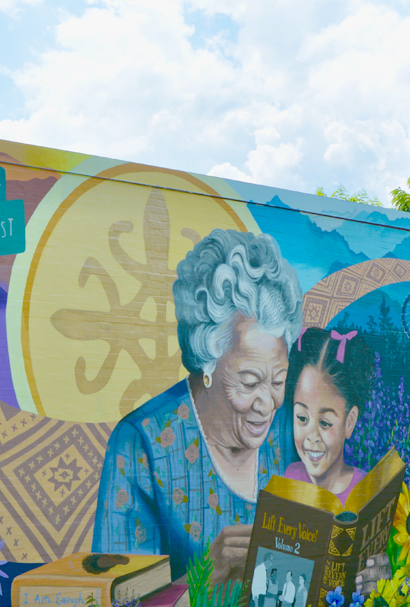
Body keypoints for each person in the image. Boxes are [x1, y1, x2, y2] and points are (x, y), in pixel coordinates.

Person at [93, 230, 303, 585]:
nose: (267, 403)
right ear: (206, 364)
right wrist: (207, 578)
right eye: (249, 382)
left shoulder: (290, 429)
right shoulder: (141, 444)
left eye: (279, 381)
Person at [280, 327, 372, 502]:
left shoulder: (365, 489)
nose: (312, 436)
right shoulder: (289, 477)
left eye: (325, 423)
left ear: (349, 422)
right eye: (302, 418)